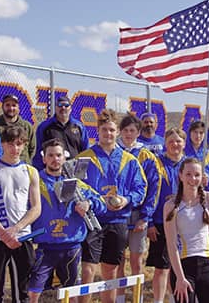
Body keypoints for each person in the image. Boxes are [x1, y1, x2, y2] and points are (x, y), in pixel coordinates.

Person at [77, 109, 147, 303]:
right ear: (97, 131)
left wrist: (126, 200)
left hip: (118, 221)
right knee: (88, 269)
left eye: (111, 130)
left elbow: (141, 188)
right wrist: (92, 201)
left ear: (117, 132)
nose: (108, 134)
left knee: (110, 270)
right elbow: (77, 186)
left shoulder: (129, 160)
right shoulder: (85, 157)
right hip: (92, 220)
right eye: (104, 130)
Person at [28, 138, 107, 303]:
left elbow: (102, 203)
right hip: (45, 247)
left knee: (71, 293)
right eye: (50, 155)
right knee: (33, 292)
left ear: (64, 158)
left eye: (58, 155)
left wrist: (88, 203)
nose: (55, 159)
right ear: (44, 158)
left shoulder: (77, 183)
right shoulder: (35, 181)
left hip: (71, 248)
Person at [163, 158, 209, 303]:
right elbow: (171, 245)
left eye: (197, 175)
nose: (193, 179)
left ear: (202, 177)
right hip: (183, 266)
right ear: (181, 175)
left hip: (207, 264)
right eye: (188, 174)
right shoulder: (171, 206)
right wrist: (180, 278)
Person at [116, 114, 161, 303]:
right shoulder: (113, 151)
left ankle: (137, 297)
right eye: (125, 130)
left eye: (132, 130)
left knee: (136, 260)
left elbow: (153, 188)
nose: (128, 134)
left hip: (137, 215)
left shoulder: (146, 156)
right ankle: (118, 297)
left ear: (138, 132)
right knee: (117, 259)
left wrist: (145, 217)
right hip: (116, 216)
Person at [0, 125, 41, 303]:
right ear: (3, 144)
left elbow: (36, 208)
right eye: (11, 144)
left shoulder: (30, 171)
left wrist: (16, 229)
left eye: (19, 144)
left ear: (24, 145)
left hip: (22, 238)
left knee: (22, 293)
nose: (15, 149)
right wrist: (3, 232)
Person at [146, 128, 186, 303]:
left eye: (178, 141)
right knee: (162, 268)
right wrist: (149, 222)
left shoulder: (189, 164)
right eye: (171, 141)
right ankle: (158, 300)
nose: (175, 144)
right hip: (161, 221)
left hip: (184, 222)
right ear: (165, 143)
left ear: (184, 144)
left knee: (179, 267)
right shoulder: (156, 162)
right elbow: (150, 192)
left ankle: (173, 298)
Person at [33, 95, 89, 170]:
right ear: (55, 108)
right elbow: (38, 152)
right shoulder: (44, 127)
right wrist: (40, 172)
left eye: (66, 105)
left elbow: (85, 151)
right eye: (60, 105)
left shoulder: (79, 127)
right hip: (52, 172)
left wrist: (83, 171)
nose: (63, 108)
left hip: (74, 172)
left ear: (71, 109)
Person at [184, 120, 209, 193]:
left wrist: (207, 181)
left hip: (205, 196)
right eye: (195, 132)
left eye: (201, 133)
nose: (198, 136)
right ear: (189, 133)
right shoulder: (181, 154)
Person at [0, 94, 36, 163]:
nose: (11, 108)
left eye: (14, 105)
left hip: (23, 169)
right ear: (2, 107)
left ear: (18, 108)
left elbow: (32, 149)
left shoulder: (27, 127)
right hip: (1, 168)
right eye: (7, 105)